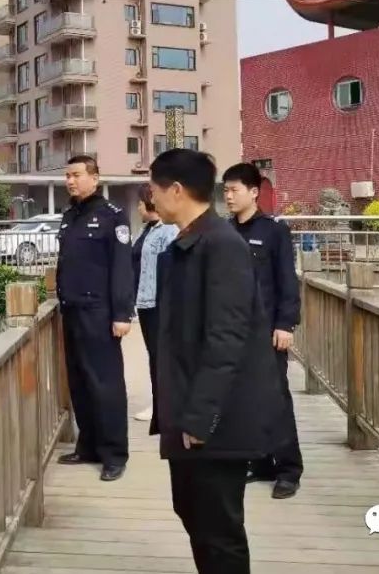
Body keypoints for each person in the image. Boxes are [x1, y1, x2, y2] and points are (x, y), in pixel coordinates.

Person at [148, 149, 285, 573]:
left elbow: (227, 338)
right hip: (191, 409)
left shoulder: (221, 246)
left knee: (219, 528)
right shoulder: (190, 242)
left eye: (153, 188)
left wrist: (200, 417)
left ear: (175, 190)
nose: (150, 198)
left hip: (214, 421)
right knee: (194, 513)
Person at [222, 162, 303, 499]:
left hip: (267, 332)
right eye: (224, 190)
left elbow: (287, 281)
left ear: (254, 192)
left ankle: (288, 469)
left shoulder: (273, 231)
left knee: (275, 400)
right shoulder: (225, 232)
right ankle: (260, 461)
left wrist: (285, 324)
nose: (227, 196)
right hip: (233, 333)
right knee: (245, 401)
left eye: (234, 190)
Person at [55, 154, 134, 482]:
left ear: (95, 178)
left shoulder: (112, 217)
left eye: (76, 175)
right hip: (71, 311)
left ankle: (114, 453)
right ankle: (87, 445)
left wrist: (122, 313)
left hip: (99, 313)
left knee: (106, 385)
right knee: (80, 383)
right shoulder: (70, 215)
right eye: (68, 176)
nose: (70, 181)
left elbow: (121, 269)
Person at [132, 184, 178, 422]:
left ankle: (164, 408)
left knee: (162, 357)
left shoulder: (168, 230)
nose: (138, 207)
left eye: (140, 203)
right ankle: (159, 404)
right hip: (145, 302)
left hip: (160, 303)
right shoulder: (147, 230)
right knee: (154, 355)